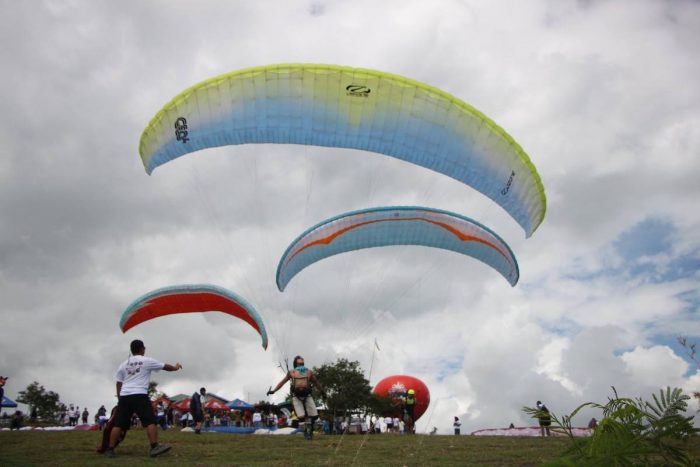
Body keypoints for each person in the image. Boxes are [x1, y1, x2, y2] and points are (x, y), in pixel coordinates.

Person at [104, 339, 182, 458]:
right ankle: (154, 447)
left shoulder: (124, 364)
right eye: (144, 348)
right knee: (150, 421)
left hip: (125, 396)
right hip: (140, 394)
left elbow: (119, 382)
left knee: (119, 424)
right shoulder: (146, 361)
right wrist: (176, 367)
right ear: (141, 349)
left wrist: (120, 398)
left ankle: (110, 449)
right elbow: (165, 367)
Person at [268, 355, 325, 440]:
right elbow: (282, 382)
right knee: (301, 416)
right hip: (296, 396)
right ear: (296, 364)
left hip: (307, 395)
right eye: (299, 364)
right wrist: (274, 391)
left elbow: (316, 382)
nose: (301, 365)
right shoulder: (292, 372)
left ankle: (311, 431)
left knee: (314, 416)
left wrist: (323, 392)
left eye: (302, 363)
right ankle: (306, 432)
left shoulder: (309, 372)